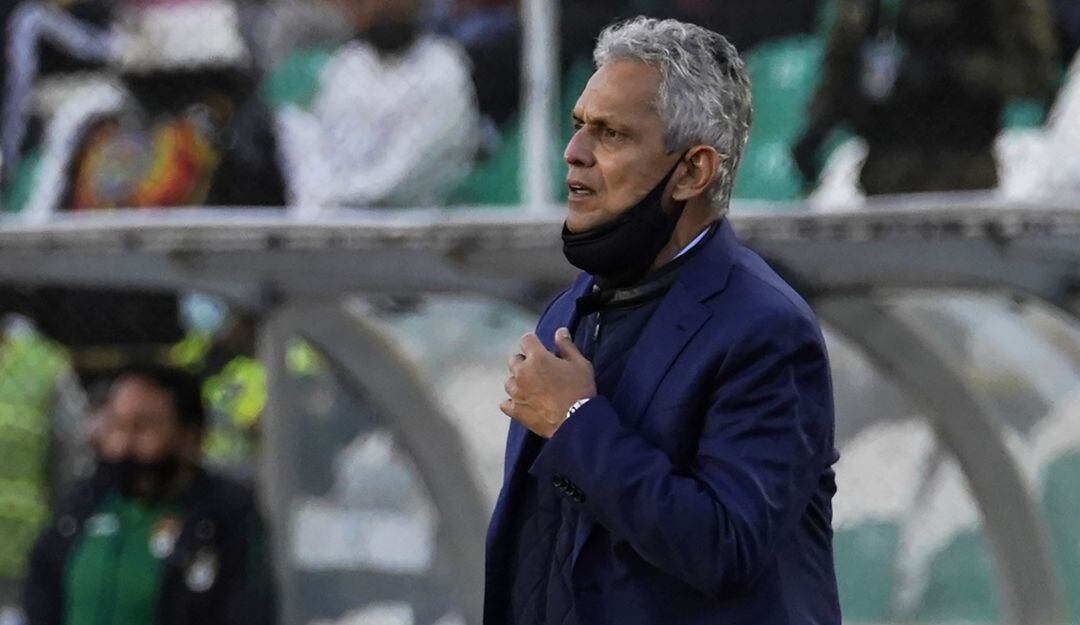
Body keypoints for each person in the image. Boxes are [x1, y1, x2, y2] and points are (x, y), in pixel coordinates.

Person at [487, 16, 840, 625]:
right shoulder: (570, 309)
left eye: (611, 133)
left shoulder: (767, 330)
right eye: (578, 126)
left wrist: (575, 421)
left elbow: (725, 546)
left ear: (692, 172)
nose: (574, 153)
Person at [21, 364, 276, 625]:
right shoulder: (81, 508)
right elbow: (41, 590)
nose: (124, 445)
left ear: (190, 436)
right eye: (117, 426)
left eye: (143, 428)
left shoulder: (223, 517)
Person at [793, 0, 1057, 195]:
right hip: (885, 176)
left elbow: (1033, 77)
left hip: (964, 173)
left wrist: (953, 69)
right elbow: (843, 66)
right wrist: (820, 127)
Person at [269, 0, 479, 209]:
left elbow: (398, 181)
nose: (385, 5)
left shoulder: (444, 67)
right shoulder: (341, 66)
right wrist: (321, 199)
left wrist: (332, 197)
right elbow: (305, 155)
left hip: (421, 225)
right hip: (327, 226)